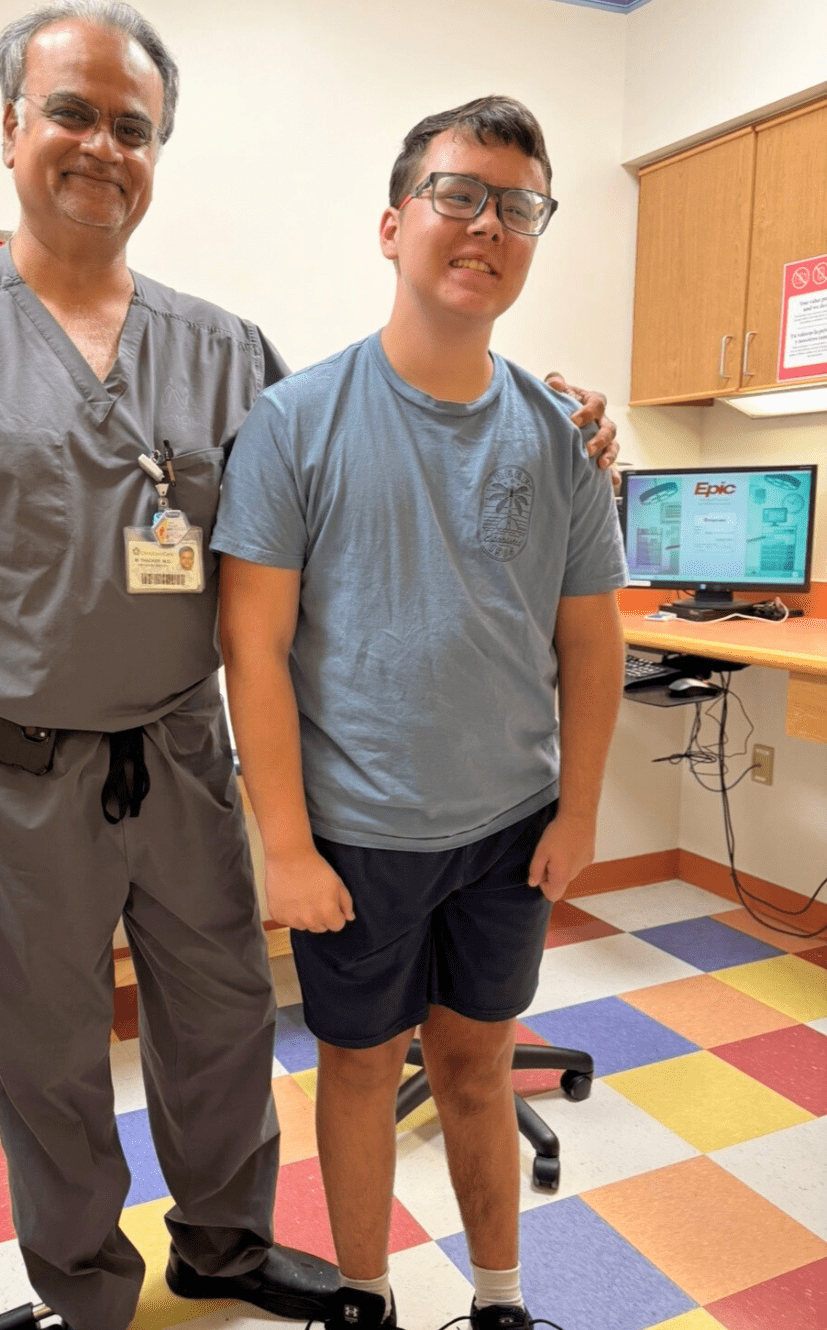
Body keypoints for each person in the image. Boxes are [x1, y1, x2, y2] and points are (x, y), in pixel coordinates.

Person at [0, 0, 618, 1329]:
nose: (101, 146)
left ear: (158, 151)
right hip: (11, 764)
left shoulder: (228, 354)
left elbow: (350, 506)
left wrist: (565, 454)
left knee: (224, 1021)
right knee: (51, 1059)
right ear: (11, 129)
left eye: (133, 126)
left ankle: (223, 1242)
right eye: (72, 113)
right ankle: (87, 1287)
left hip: (180, 751)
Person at [213, 96, 628, 1330]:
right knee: (353, 1069)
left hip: (511, 827)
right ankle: (362, 1295)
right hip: (357, 836)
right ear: (393, 226)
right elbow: (254, 646)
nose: (486, 225)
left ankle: (498, 1301)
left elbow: (590, 638)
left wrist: (583, 812)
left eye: (517, 206)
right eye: (458, 195)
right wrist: (284, 845)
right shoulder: (297, 422)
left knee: (478, 1062)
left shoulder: (562, 437)